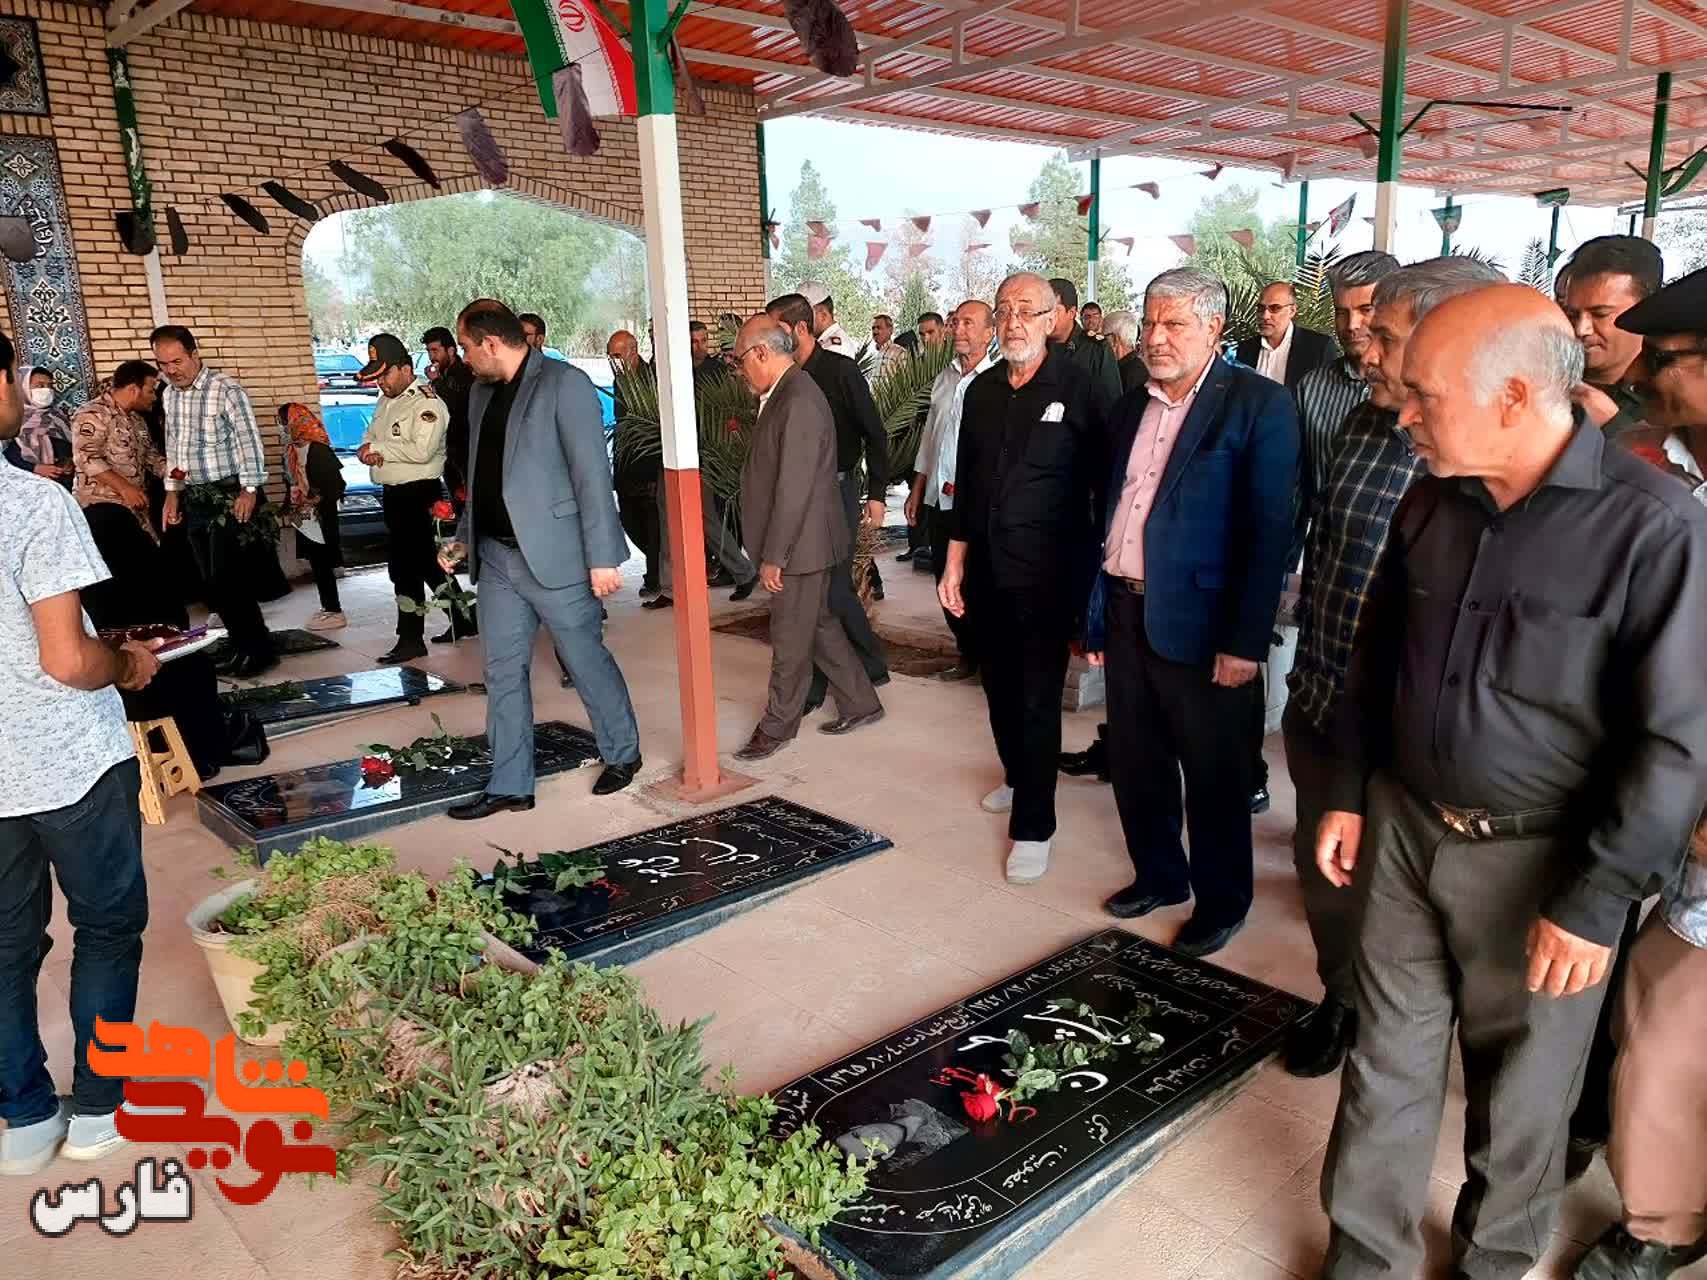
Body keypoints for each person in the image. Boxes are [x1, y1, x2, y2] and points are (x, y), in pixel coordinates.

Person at [1312, 285, 1707, 1280]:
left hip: (1547, 859)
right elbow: (1375, 654)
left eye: (1424, 396)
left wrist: (1596, 898)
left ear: (1515, 395)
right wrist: (1349, 789)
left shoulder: (1653, 528)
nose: (1403, 415)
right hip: (1405, 827)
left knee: (1526, 1092)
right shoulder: (1431, 497)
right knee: (1385, 1060)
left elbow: (1675, 741)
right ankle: (1365, 1257)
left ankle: (1493, 1262)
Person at [1282, 255, 1501, 1079]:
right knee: (1326, 876)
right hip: (1325, 697)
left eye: (1384, 336)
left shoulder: (1483, 455)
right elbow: (1328, 545)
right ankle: (1340, 998)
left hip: (1415, 730)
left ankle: (1414, 1032)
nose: (1363, 351)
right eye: (1363, 332)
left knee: (1408, 898)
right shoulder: (1359, 423)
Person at [1080, 267, 1298, 957]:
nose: (1156, 337)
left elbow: (1269, 530)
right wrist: (1094, 615)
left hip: (1208, 629)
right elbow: (1107, 513)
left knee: (1215, 774)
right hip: (1126, 611)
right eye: (1149, 322)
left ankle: (1222, 902)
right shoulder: (1128, 408)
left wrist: (1245, 642)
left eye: (1173, 324)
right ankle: (1160, 875)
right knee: (1136, 760)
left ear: (1213, 328)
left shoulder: (1257, 405)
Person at [1568, 265, 1707, 1280]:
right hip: (1651, 787)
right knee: (1651, 1023)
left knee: (1664, 1031)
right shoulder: (1651, 462)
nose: (1643, 374)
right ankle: (1666, 1210)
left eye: (1666, 358)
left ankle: (1664, 1221)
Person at [0, 323, 162, 1175]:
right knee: (104, 927)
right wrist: (126, 664)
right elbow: (67, 660)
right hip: (67, 763)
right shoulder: (32, 504)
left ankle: (25, 1122)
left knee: (4, 947)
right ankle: (98, 1111)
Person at [440, 299, 642, 814]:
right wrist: (465, 535)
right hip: (497, 558)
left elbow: (591, 473)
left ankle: (623, 752)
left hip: (557, 556)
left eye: (466, 347)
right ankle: (511, 783)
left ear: (491, 343)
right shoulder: (481, 393)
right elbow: (481, 475)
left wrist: (602, 556)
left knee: (584, 659)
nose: (463, 357)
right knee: (502, 671)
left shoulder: (564, 384)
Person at [939, 273, 1106, 886]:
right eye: (1004, 310)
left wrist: (1097, 583)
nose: (1013, 322)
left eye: (1026, 311)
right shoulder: (983, 391)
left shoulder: (1081, 388)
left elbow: (1105, 489)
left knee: (1037, 699)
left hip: (1048, 575)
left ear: (1052, 318)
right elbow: (968, 484)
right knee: (998, 687)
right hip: (986, 568)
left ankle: (1035, 825)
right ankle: (1018, 774)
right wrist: (954, 560)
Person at [730, 315, 885, 761]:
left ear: (761, 353)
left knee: (789, 639)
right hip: (805, 541)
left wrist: (775, 555)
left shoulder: (797, 398)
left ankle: (777, 726)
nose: (740, 371)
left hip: (799, 546)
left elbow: (794, 488)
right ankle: (861, 701)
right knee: (817, 625)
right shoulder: (787, 392)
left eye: (740, 361)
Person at [766, 292, 891, 705]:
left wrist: (877, 494)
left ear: (801, 328)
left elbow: (875, 433)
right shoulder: (782, 378)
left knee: (834, 588)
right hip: (797, 496)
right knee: (808, 591)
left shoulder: (840, 371)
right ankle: (818, 682)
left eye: (777, 329)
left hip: (837, 492)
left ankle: (870, 665)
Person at [152, 324, 276, 677]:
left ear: (194, 354)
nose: (171, 370)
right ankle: (241, 644)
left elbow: (249, 442)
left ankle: (258, 649)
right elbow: (175, 447)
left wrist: (249, 490)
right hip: (195, 497)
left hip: (230, 495)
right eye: (163, 364)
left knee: (230, 579)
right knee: (211, 582)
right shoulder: (170, 395)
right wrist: (172, 494)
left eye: (177, 361)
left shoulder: (226, 390)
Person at [630, 327, 759, 611]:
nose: (698, 346)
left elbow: (730, 413)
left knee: (705, 519)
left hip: (703, 458)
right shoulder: (669, 369)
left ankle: (743, 571)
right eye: (692, 341)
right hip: (671, 455)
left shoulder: (716, 371)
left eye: (702, 341)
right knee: (668, 519)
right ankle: (671, 587)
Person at [356, 333, 462, 662]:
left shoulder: (427, 403)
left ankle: (411, 638)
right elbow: (369, 437)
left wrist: (379, 449)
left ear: (405, 369)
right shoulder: (386, 401)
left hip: (418, 494)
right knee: (427, 564)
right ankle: (464, 617)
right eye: (377, 377)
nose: (381, 383)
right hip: (394, 495)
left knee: (404, 569)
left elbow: (421, 450)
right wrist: (367, 450)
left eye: (385, 375)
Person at [907, 300, 994, 683]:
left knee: (979, 581)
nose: (958, 329)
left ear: (989, 333)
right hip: (939, 498)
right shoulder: (944, 378)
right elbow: (930, 438)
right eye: (956, 322)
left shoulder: (1000, 381)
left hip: (979, 503)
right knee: (944, 575)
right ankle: (967, 654)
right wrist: (917, 488)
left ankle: (990, 661)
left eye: (968, 323)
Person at [72, 362, 167, 622]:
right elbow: (86, 457)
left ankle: (156, 634)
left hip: (134, 511)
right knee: (117, 582)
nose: (154, 397)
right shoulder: (92, 413)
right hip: (101, 509)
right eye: (151, 390)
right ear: (134, 389)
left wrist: (177, 473)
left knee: (146, 578)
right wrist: (124, 488)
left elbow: (150, 458)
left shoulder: (136, 420)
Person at [1561, 234, 1664, 439]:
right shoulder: (1542, 379)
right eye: (1572, 314)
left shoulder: (1675, 394)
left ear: (1647, 311)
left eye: (1600, 314)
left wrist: (1614, 426)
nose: (1582, 329)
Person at [278, 402, 346, 631]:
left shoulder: (319, 450)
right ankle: (328, 607)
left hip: (321, 515)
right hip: (303, 516)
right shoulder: (290, 451)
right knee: (316, 563)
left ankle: (334, 610)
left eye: (283, 422)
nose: (281, 428)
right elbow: (290, 482)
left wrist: (317, 498)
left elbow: (337, 485)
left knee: (323, 562)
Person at [606, 328, 662, 596]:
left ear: (633, 351)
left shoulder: (650, 379)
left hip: (648, 463)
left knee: (652, 524)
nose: (613, 361)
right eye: (610, 356)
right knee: (629, 519)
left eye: (617, 355)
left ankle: (655, 575)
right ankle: (656, 567)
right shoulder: (620, 379)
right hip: (626, 464)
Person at [1236, 281, 1335, 392]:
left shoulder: (1318, 347)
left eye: (1275, 308)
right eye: (1261, 308)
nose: (1265, 316)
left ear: (1292, 311)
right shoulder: (1245, 349)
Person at [1045, 276, 1121, 416]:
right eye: (1042, 311)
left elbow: (1111, 407)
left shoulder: (1096, 349)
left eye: (1053, 311)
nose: (1046, 317)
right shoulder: (1035, 348)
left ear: (1071, 313)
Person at [424, 325, 474, 505]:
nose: (432, 357)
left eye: (435, 350)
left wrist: (437, 382)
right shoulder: (443, 376)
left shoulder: (465, 374)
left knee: (466, 500)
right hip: (447, 450)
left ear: (451, 351)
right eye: (429, 351)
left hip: (463, 450)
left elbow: (456, 405)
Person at [12, 367, 74, 487]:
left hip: (60, 484)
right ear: (22, 388)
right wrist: (34, 468)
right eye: (40, 386)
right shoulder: (10, 419)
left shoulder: (58, 417)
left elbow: (71, 447)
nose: (47, 390)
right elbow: (4, 456)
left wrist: (69, 462)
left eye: (50, 386)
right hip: (23, 484)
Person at [798, 282, 855, 357]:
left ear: (823, 315)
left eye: (805, 315)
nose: (801, 321)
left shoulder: (835, 348)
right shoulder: (824, 341)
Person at [1103, 309, 1148, 393]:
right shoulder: (1140, 366)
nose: (1101, 342)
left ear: (1114, 339)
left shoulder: (1129, 374)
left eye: (1103, 337)